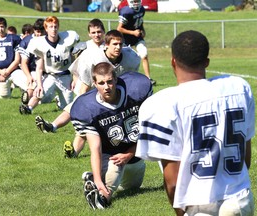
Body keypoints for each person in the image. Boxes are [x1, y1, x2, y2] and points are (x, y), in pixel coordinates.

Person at [135, 30, 255, 215]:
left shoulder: (162, 103)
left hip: (199, 205)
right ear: (206, 62)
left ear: (173, 61)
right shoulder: (238, 87)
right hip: (238, 197)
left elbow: (173, 182)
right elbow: (245, 157)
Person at [35, 29, 141, 159]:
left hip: (118, 96)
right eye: (114, 44)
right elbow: (84, 88)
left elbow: (132, 80)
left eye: (120, 44)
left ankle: (70, 148)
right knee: (84, 123)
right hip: (94, 93)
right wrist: (83, 108)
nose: (118, 47)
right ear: (106, 44)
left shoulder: (131, 57)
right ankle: (60, 135)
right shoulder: (93, 58)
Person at [70, 62, 152, 209]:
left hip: (136, 152)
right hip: (111, 155)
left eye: (109, 81)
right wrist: (99, 180)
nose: (106, 87)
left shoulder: (136, 90)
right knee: (110, 183)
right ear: (94, 83)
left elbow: (151, 132)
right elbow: (95, 148)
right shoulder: (88, 108)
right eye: (101, 83)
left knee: (131, 188)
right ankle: (100, 200)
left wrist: (128, 154)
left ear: (115, 79)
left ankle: (94, 179)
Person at [19, 16, 79, 114]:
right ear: (46, 29)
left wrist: (75, 78)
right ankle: (28, 108)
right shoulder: (39, 43)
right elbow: (39, 68)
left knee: (68, 108)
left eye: (55, 26)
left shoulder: (68, 39)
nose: (53, 29)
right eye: (51, 27)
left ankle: (60, 102)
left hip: (65, 76)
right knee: (39, 92)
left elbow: (74, 61)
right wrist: (39, 84)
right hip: (51, 76)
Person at [0, 17, 27, 99]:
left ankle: (24, 91)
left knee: (27, 86)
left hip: (14, 70)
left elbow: (17, 60)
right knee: (4, 97)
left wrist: (6, 72)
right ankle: (8, 87)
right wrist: (1, 72)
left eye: (2, 26)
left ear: (6, 27)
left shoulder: (14, 39)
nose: (0, 29)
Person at [117, 0, 156, 85]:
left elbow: (140, 22)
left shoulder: (142, 9)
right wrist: (133, 32)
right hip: (126, 39)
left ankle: (148, 78)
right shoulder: (126, 11)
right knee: (124, 60)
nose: (136, 3)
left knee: (144, 54)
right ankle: (121, 78)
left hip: (137, 37)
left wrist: (143, 30)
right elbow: (119, 28)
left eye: (137, 1)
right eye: (133, 1)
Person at [18, 18, 48, 104]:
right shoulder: (27, 41)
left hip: (49, 71)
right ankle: (26, 99)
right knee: (33, 84)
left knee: (44, 98)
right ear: (34, 30)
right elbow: (23, 63)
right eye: (37, 32)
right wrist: (28, 76)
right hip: (34, 70)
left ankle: (27, 100)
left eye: (41, 32)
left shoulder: (49, 38)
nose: (39, 34)